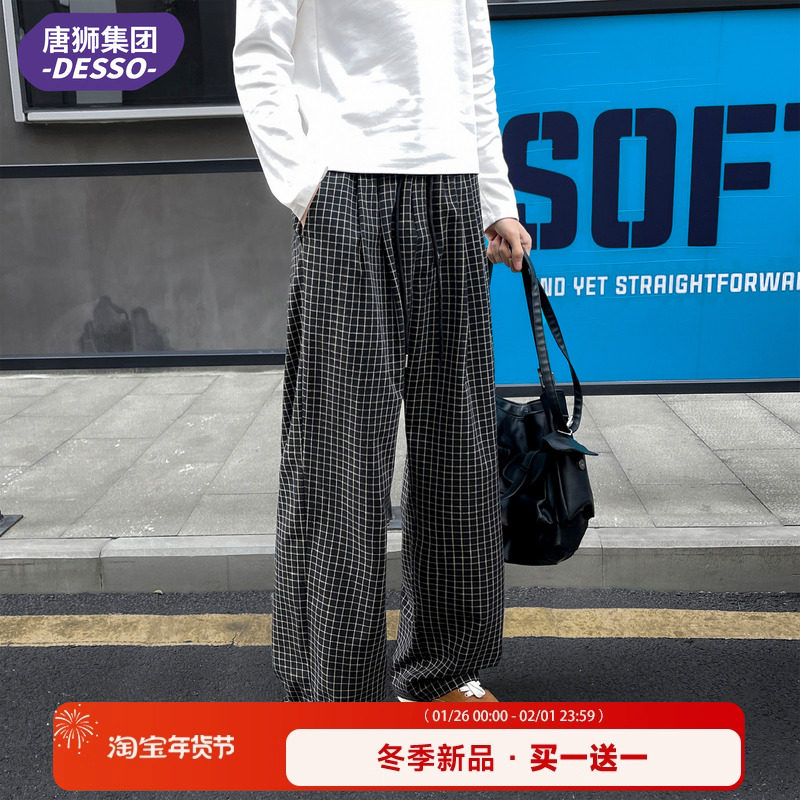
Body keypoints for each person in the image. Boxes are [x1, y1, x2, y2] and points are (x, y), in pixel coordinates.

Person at [232, 0, 532, 703]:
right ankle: (334, 685)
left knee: (459, 451)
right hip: (346, 185)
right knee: (341, 455)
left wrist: (496, 199)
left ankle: (441, 670)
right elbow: (259, 52)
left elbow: (474, 70)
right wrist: (305, 186)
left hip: (453, 191)